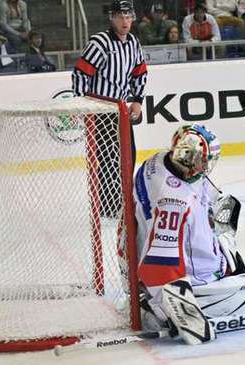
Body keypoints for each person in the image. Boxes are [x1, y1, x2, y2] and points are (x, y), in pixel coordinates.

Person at [134, 124, 245, 345]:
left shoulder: (158, 161)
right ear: (186, 157)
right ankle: (157, 308)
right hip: (196, 278)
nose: (206, 166)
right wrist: (184, 316)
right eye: (202, 160)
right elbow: (158, 266)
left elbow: (201, 190)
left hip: (152, 248)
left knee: (226, 236)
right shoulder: (173, 203)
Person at [72, 0, 147, 218]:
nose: (125, 21)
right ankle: (110, 205)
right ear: (112, 18)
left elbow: (140, 72)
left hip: (121, 110)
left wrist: (138, 99)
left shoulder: (133, 42)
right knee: (109, 158)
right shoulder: (100, 42)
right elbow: (81, 73)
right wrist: (81, 103)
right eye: (120, 16)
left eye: (128, 17)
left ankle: (124, 199)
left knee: (129, 155)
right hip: (101, 110)